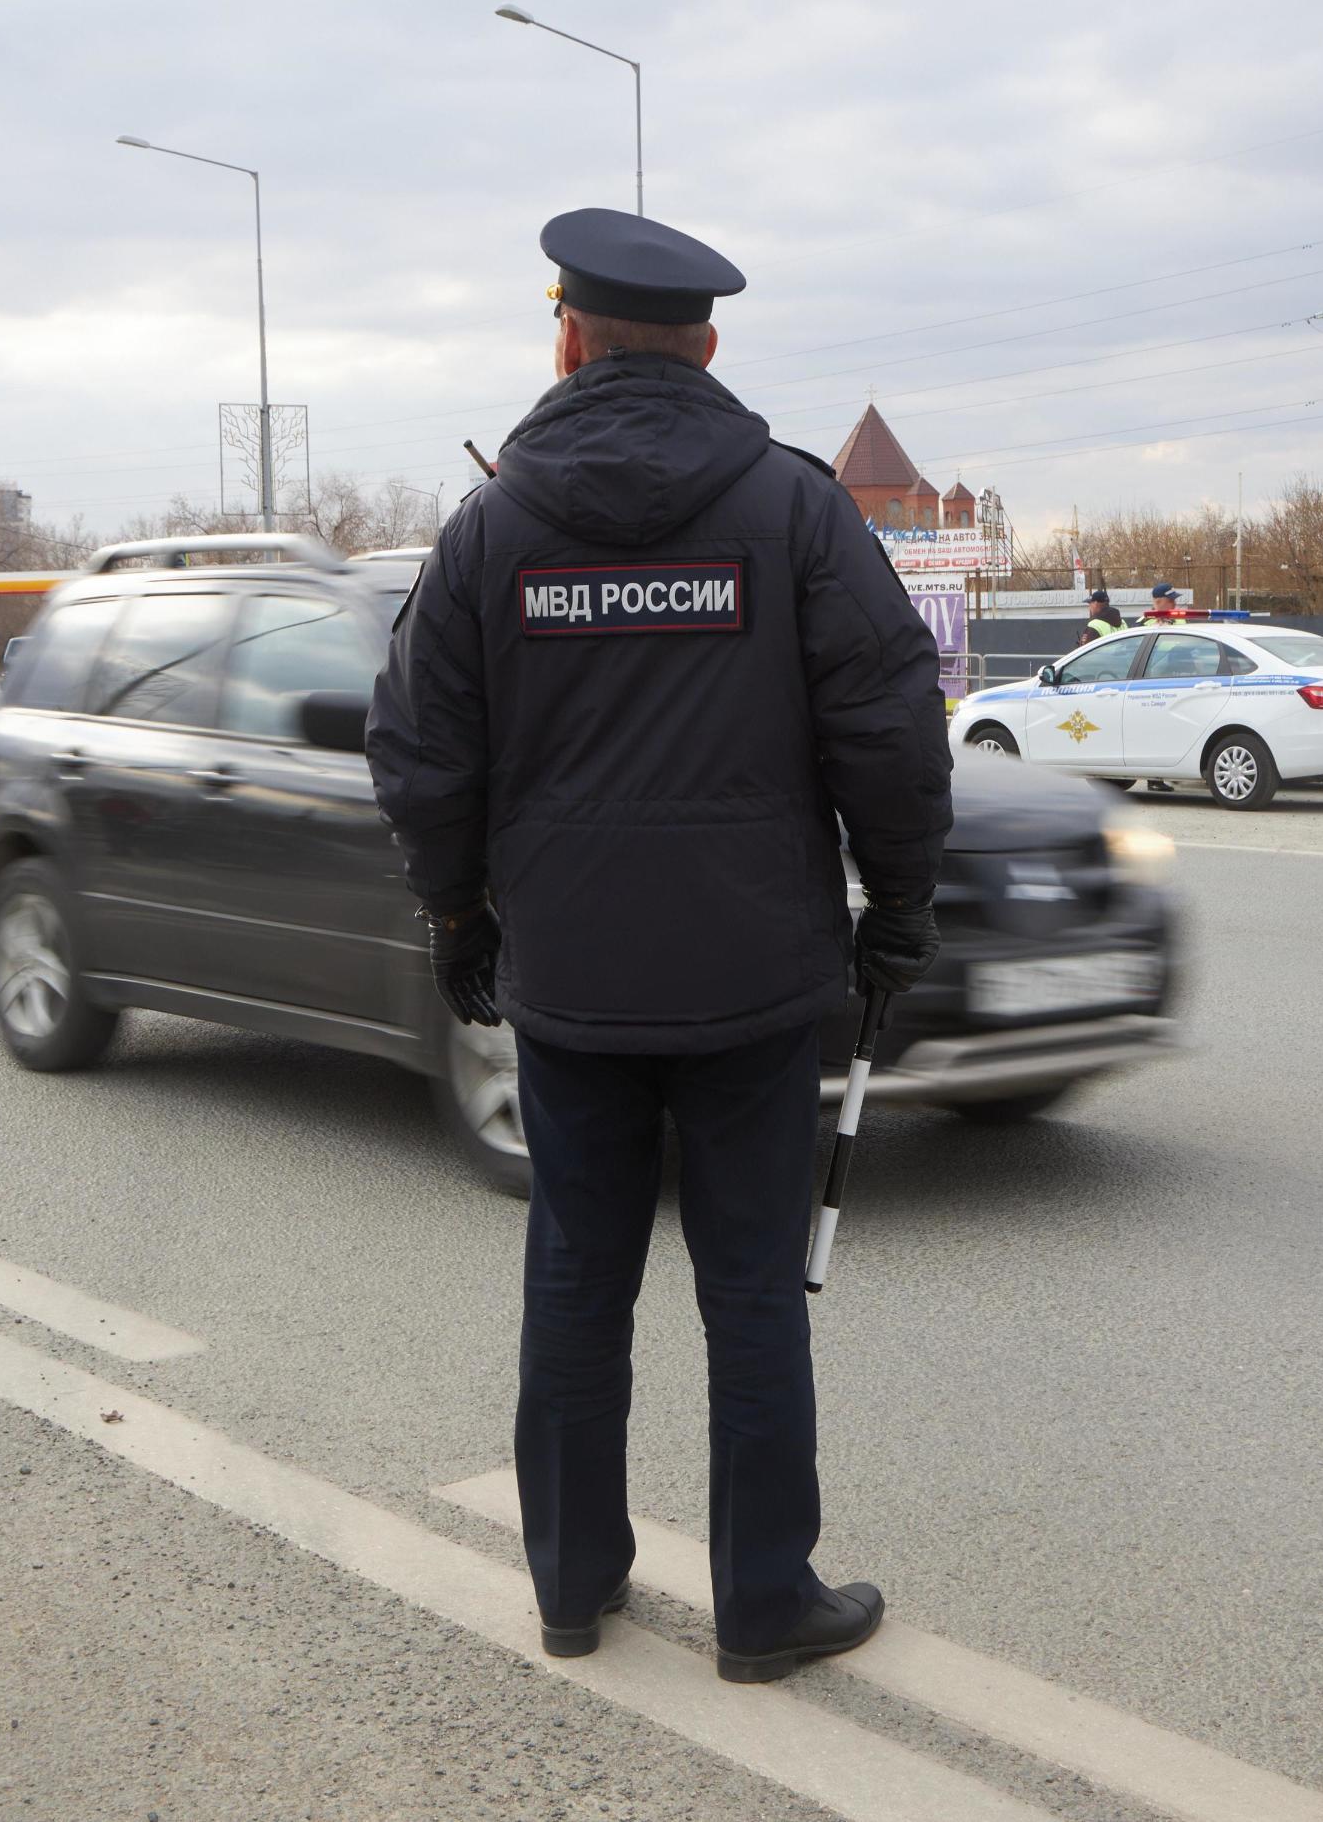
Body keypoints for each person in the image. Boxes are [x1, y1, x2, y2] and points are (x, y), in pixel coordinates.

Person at [368, 208, 953, 1685]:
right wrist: (901, 907)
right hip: (757, 982)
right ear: (707, 344)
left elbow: (423, 752)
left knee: (577, 1279)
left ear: (566, 338)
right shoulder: (797, 512)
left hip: (572, 987)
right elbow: (890, 727)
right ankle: (764, 1602)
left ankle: (574, 1582)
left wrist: (458, 915)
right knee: (753, 1287)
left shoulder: (492, 532)